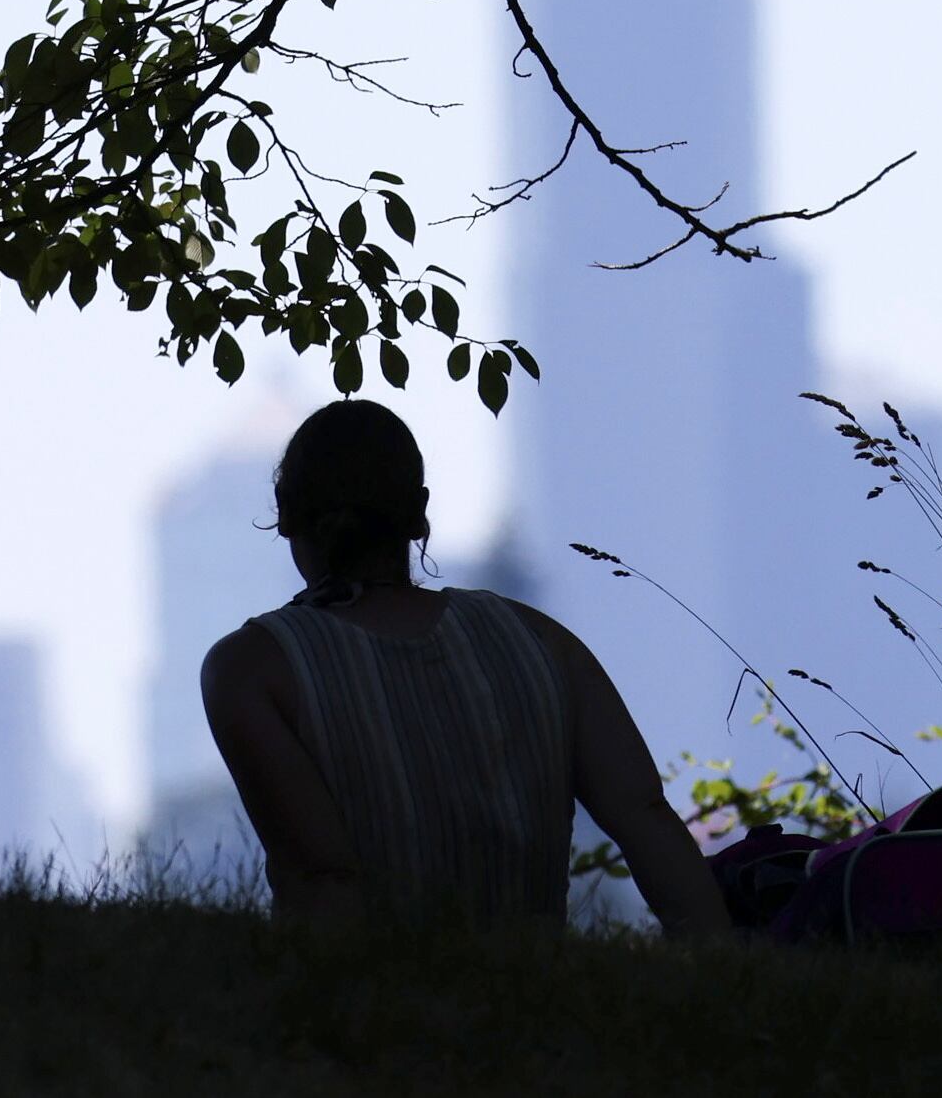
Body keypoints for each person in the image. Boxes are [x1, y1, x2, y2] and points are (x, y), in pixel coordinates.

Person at [199, 398, 729, 937]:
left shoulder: (250, 669)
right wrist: (726, 979)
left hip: (371, 1010)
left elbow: (323, 879)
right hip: (545, 1006)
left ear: (285, 513)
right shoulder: (540, 640)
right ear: (418, 512)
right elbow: (644, 817)